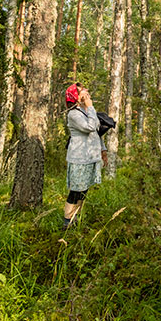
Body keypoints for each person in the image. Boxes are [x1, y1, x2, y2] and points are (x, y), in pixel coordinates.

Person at [63, 82, 107, 230]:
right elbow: (90, 127)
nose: (87, 93)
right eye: (83, 92)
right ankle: (67, 222)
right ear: (77, 97)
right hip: (79, 159)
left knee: (84, 190)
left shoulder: (86, 112)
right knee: (76, 190)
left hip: (91, 157)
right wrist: (90, 107)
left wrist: (103, 150)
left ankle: (76, 219)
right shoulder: (74, 114)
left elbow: (97, 132)